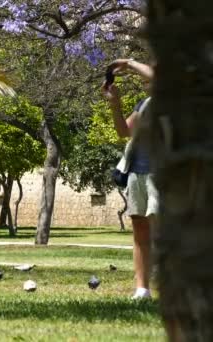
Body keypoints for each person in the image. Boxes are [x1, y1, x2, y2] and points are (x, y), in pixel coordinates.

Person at [102, 58, 157, 300]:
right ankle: (142, 289)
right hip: (138, 172)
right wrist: (115, 104)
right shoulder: (144, 104)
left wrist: (129, 62)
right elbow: (124, 131)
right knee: (140, 232)